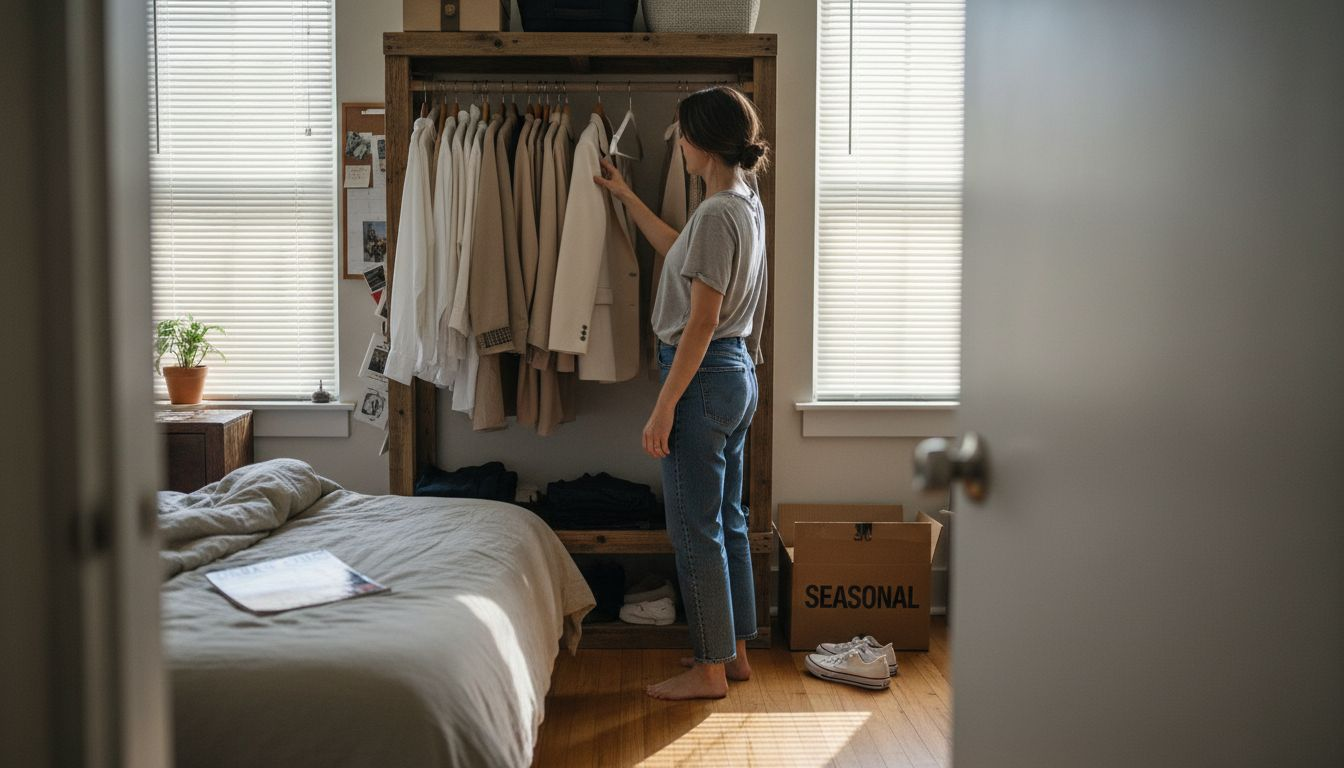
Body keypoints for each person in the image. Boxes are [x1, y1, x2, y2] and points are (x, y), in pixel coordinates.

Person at [594, 86, 770, 701]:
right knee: (728, 522)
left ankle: (708, 668)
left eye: (681, 135)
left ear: (700, 142)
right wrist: (625, 195)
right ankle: (737, 652)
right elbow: (676, 249)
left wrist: (664, 405)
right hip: (736, 375)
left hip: (703, 377)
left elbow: (701, 319)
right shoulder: (742, 203)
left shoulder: (721, 212)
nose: (680, 145)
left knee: (695, 530)